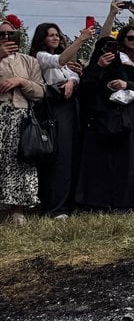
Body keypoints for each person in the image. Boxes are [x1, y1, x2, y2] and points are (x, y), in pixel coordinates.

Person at [74, 36, 134, 211]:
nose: (110, 53)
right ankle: (99, 202)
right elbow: (85, 90)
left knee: (131, 163)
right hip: (100, 124)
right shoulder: (91, 70)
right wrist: (99, 67)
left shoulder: (127, 70)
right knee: (102, 165)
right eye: (105, 49)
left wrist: (127, 84)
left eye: (114, 49)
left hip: (129, 124)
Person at [29, 22, 89, 217]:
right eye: (50, 35)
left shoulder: (65, 61)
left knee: (72, 155)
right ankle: (56, 207)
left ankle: (71, 203)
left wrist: (71, 80)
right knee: (59, 158)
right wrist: (81, 39)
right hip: (54, 109)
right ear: (41, 38)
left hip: (71, 108)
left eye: (57, 34)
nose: (55, 38)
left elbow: (74, 76)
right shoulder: (41, 56)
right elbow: (59, 60)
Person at [1, 16, 47, 225]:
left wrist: (21, 81)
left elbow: (39, 92)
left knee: (19, 162)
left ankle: (17, 209)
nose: (6, 37)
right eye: (1, 34)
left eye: (10, 34)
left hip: (20, 115)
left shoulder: (29, 61)